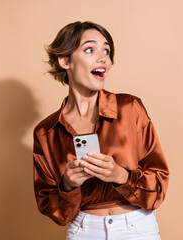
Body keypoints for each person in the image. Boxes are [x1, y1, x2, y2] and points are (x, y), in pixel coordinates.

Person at [33, 21, 169, 240]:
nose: (103, 58)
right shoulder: (46, 132)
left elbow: (159, 183)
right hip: (84, 231)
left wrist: (121, 175)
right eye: (89, 49)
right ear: (65, 60)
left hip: (137, 228)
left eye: (106, 50)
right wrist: (67, 185)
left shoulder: (130, 108)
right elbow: (56, 212)